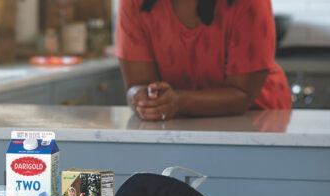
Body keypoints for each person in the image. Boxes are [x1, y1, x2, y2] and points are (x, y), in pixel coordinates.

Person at [116, 0, 291, 121]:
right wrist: (143, 99)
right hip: (177, 124)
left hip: (258, 119)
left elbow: (243, 94)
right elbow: (138, 85)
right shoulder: (134, 3)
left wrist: (177, 101)